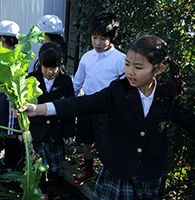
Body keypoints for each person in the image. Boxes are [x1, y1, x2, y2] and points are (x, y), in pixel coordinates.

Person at [15, 35, 195, 200]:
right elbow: (83, 103)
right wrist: (39, 109)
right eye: (127, 64)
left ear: (159, 69)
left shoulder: (166, 96)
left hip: (150, 174)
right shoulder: (118, 91)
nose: (130, 71)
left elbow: (188, 120)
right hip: (119, 170)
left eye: (138, 67)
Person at [72, 12, 126, 184]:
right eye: (94, 37)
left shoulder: (121, 60)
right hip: (87, 104)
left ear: (113, 36)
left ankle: (108, 175)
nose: (97, 42)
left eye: (103, 38)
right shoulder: (87, 57)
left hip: (107, 110)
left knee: (105, 144)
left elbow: (126, 88)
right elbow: (77, 82)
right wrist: (70, 104)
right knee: (86, 141)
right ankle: (88, 170)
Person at [28, 42, 75, 197]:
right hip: (37, 130)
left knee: (55, 165)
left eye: (53, 67)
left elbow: (70, 109)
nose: (49, 71)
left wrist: (69, 132)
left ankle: (54, 188)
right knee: (39, 163)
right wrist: (23, 131)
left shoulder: (66, 81)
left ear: (60, 65)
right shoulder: (31, 79)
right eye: (45, 67)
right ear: (39, 63)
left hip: (56, 131)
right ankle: (41, 191)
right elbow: (21, 107)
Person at [0, 20, 24, 171]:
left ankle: (13, 163)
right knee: (7, 130)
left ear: (4, 39)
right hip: (4, 97)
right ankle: (11, 161)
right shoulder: (6, 55)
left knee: (11, 133)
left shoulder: (14, 56)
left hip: (11, 98)